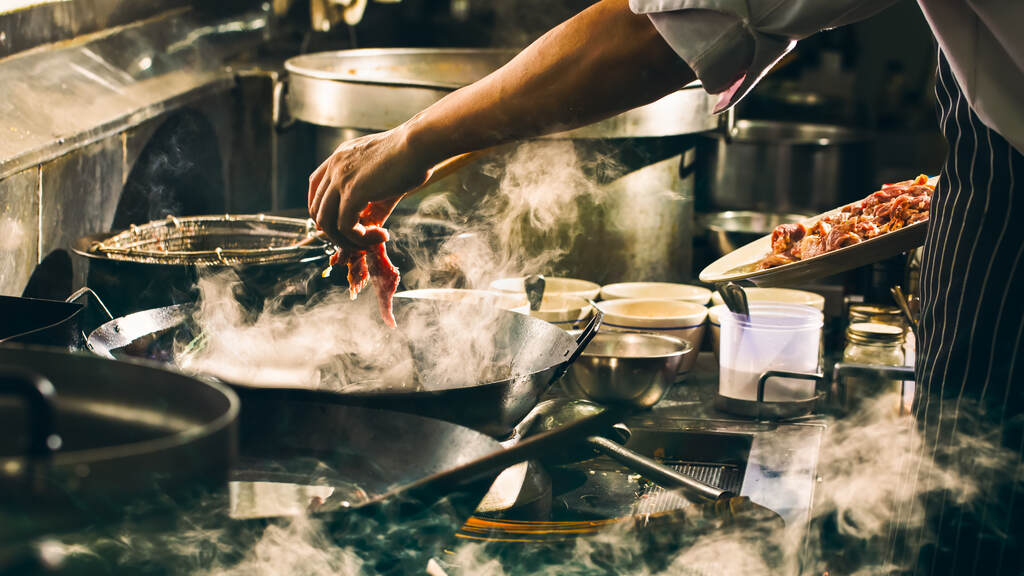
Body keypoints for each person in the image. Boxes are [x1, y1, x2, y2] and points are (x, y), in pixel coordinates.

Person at [308, 1, 1024, 573]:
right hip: (991, 157)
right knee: (972, 493)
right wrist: (432, 149)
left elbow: (658, 28)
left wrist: (413, 141)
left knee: (990, 520)